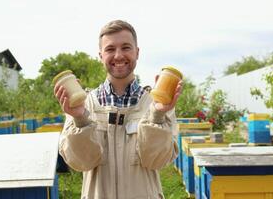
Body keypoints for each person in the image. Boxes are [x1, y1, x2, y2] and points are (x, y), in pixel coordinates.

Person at [54, 20, 182, 199]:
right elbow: (80, 163)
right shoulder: (82, 105)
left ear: (137, 52)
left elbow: (157, 161)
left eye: (126, 47)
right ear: (100, 55)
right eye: (110, 49)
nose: (118, 55)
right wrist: (81, 119)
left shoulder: (157, 104)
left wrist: (157, 115)